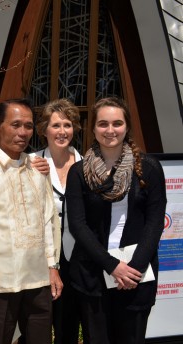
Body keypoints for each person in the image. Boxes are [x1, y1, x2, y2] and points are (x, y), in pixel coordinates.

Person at [65, 97, 166, 343]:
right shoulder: (79, 172)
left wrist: (133, 269)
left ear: (127, 126)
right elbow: (78, 225)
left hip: (136, 276)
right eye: (103, 124)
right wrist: (112, 266)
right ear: (93, 129)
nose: (110, 130)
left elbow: (154, 223)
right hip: (93, 274)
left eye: (117, 123)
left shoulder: (149, 168)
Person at [0, 98, 63, 344]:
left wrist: (53, 266)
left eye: (28, 126)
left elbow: (47, 220)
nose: (23, 132)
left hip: (38, 279)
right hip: (0, 284)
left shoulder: (37, 167)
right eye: (15, 124)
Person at [30, 99, 84, 343]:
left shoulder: (87, 164)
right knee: (37, 324)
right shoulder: (30, 163)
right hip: (41, 256)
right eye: (56, 125)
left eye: (68, 125)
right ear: (44, 130)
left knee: (68, 323)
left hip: (78, 256)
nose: (62, 131)